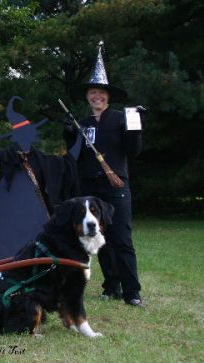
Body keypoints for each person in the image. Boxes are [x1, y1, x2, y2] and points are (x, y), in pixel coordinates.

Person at [64, 43, 146, 307]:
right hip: (90, 189)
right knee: (100, 240)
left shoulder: (121, 119)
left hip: (116, 187)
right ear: (88, 97)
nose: (97, 96)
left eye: (101, 93)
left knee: (121, 238)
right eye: (92, 92)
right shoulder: (83, 124)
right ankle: (111, 286)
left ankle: (132, 292)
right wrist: (68, 134)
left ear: (108, 97)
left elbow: (133, 151)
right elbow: (74, 155)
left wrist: (135, 127)